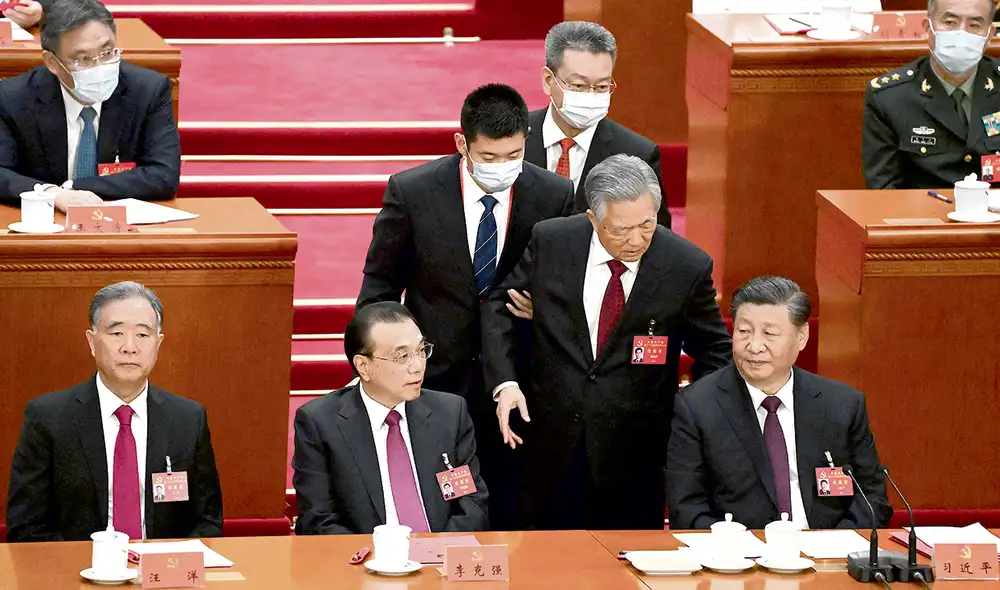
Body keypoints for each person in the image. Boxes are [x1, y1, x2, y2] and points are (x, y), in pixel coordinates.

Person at [356, 83, 573, 529]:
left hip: (518, 379)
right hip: (432, 376)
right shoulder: (413, 191)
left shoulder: (553, 195)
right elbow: (379, 288)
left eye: (513, 156)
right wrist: (390, 361)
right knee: (442, 504)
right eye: (489, 158)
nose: (502, 168)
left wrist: (545, 311)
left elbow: (562, 286)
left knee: (510, 503)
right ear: (462, 144)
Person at [482, 154, 732, 530]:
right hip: (549, 443)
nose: (635, 240)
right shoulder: (553, 241)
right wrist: (505, 382)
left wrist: (692, 417)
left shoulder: (685, 265)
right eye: (620, 230)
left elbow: (715, 352)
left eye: (646, 225)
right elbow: (500, 306)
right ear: (592, 219)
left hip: (635, 454)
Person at [666, 276, 892, 530]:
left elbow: (872, 498)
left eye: (769, 334)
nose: (754, 346)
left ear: (802, 336)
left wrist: (834, 546)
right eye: (744, 332)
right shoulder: (697, 406)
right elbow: (686, 509)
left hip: (827, 555)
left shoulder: (842, 405)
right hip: (741, 557)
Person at [6, 281, 223, 542]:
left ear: (158, 343)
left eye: (143, 335)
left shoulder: (188, 419)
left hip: (162, 575)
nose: (129, 347)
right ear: (91, 341)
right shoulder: (48, 418)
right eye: (116, 333)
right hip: (79, 574)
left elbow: (208, 522)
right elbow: (26, 528)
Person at [292, 302, 489, 535]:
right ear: (363, 366)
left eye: (420, 350)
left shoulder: (449, 413)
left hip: (441, 561)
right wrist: (381, 558)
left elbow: (471, 502)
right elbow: (317, 520)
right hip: (366, 563)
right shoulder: (320, 423)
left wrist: (437, 552)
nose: (417, 366)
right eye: (402, 356)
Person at [0, 0, 181, 208]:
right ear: (52, 62)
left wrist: (72, 189)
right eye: (82, 59)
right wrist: (51, 194)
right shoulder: (14, 98)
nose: (99, 68)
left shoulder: (147, 90)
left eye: (107, 52)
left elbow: (163, 175)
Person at [525, 21, 671, 228]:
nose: (591, 95)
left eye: (602, 86)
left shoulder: (637, 153)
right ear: (549, 80)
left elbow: (655, 237)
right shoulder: (511, 138)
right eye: (579, 85)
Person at [862, 0, 1000, 189]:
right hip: (923, 215)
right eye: (950, 23)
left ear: (989, 35)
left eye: (974, 25)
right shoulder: (890, 97)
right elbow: (884, 190)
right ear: (928, 28)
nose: (962, 34)